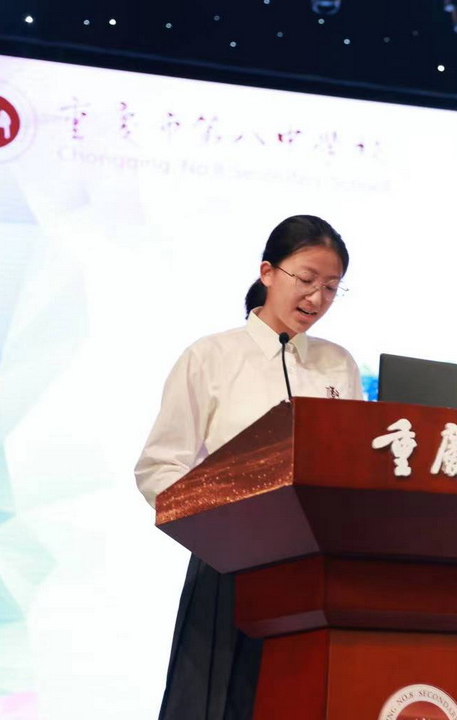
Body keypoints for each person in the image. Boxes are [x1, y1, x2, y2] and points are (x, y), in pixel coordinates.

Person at [134, 215, 363, 719]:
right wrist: (220, 528)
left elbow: (350, 467)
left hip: (314, 572)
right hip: (230, 568)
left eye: (331, 287)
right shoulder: (211, 357)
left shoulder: (338, 364)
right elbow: (159, 468)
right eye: (307, 279)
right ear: (268, 272)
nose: (317, 298)